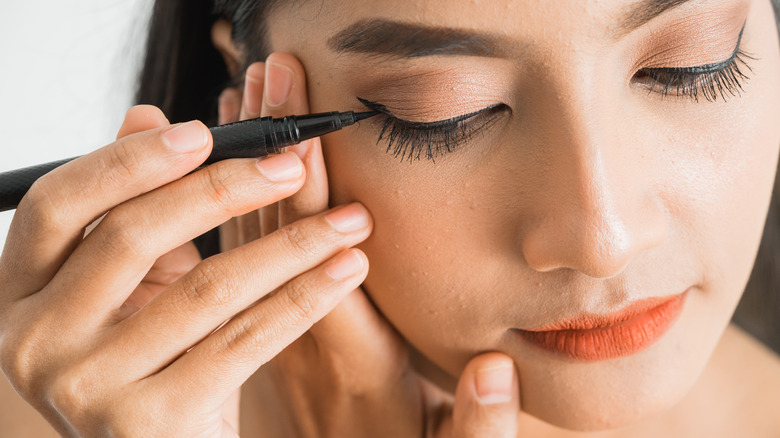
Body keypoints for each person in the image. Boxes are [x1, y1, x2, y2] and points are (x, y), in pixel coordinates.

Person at [1, 0, 780, 436]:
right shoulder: (59, 406)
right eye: (443, 114)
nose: (604, 238)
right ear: (252, 93)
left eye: (691, 65)